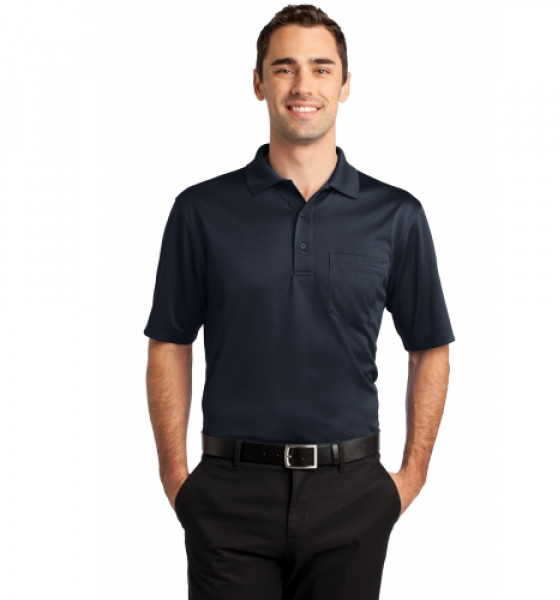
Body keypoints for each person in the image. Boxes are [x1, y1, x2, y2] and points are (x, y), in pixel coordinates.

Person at [144, 4, 454, 599]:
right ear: (258, 83)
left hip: (352, 494)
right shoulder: (200, 211)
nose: (303, 85)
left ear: (345, 84)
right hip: (229, 494)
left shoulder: (397, 215)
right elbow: (170, 344)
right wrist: (177, 478)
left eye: (321, 68)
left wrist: (410, 477)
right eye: (284, 68)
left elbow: (430, 348)